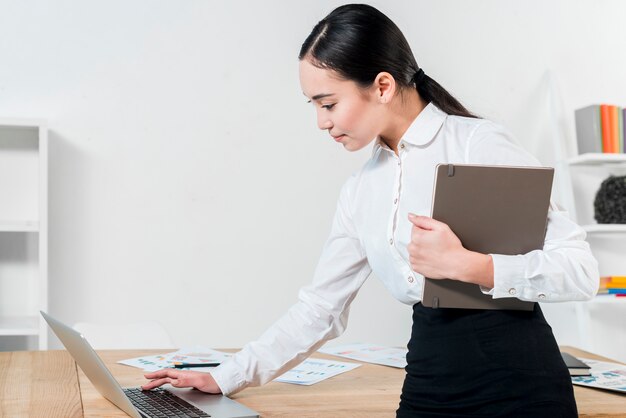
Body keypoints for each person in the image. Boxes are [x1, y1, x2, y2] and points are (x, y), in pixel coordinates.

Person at [142, 4, 599, 416]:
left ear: (382, 85)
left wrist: (471, 266)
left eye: (328, 103)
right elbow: (321, 307)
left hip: (518, 387)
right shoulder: (361, 190)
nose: (321, 121)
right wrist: (225, 376)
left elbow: (579, 271)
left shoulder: (477, 144)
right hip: (429, 383)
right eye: (315, 106)